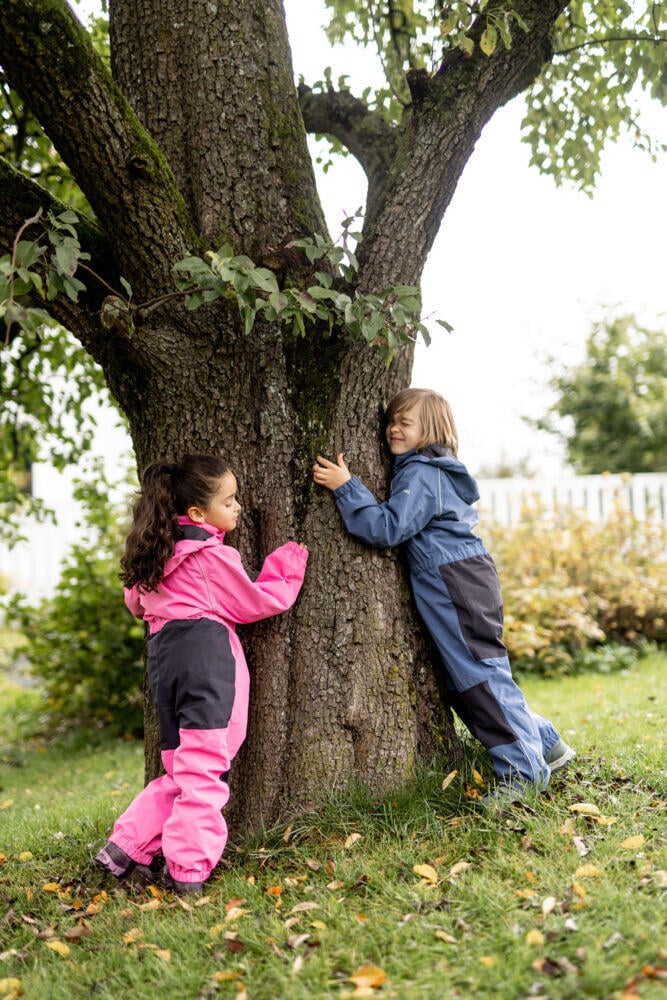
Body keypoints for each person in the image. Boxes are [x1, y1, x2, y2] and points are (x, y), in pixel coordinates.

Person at [313, 388, 574, 806]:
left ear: (430, 428)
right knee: (463, 680)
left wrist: (348, 488)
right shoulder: (422, 469)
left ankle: (525, 772)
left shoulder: (424, 473)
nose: (394, 429)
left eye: (406, 422)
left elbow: (387, 528)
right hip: (458, 577)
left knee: (478, 676)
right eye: (392, 420)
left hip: (457, 582)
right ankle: (545, 743)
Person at [95, 454, 308, 893]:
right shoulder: (211, 557)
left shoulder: (154, 555)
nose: (237, 508)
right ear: (197, 514)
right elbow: (254, 603)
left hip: (164, 662)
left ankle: (123, 848)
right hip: (206, 666)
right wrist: (286, 568)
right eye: (229, 501)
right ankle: (188, 872)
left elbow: (135, 604)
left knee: (181, 769)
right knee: (204, 770)